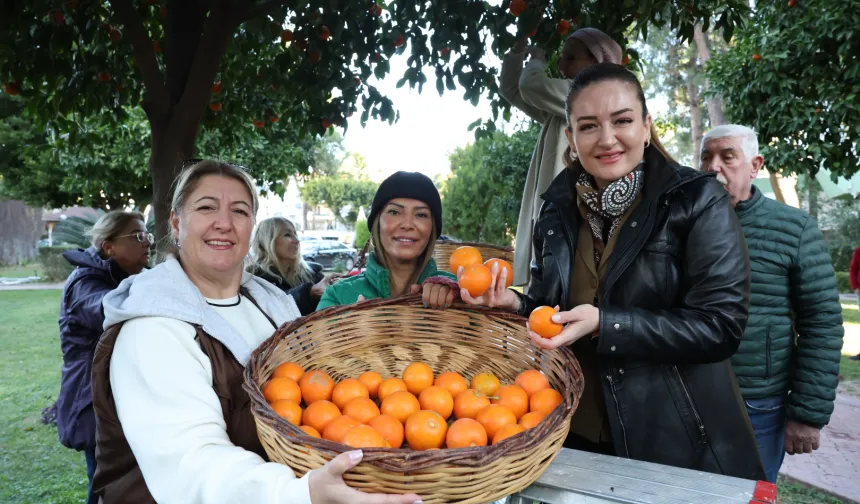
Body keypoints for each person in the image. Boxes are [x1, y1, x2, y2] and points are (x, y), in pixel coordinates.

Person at [462, 63, 765, 480]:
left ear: (646, 126)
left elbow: (720, 327)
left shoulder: (696, 200)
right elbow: (553, 309)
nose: (607, 139)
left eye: (621, 120)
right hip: (570, 429)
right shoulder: (556, 209)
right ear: (571, 137)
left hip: (673, 439)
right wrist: (513, 302)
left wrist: (608, 324)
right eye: (588, 126)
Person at [90, 160, 422, 504]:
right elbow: (195, 465)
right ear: (176, 222)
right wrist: (300, 492)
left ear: (251, 226)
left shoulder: (270, 306)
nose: (224, 223)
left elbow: (314, 398)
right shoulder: (152, 331)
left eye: (239, 210)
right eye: (206, 207)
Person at [700, 124, 844, 482]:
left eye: (727, 156)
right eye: (706, 157)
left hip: (758, 404)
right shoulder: (681, 223)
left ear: (754, 165)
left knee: (750, 494)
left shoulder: (793, 228)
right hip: (688, 397)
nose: (713, 167)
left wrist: (807, 414)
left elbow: (822, 321)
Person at [500, 28, 623, 287]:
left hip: (568, 207)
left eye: (571, 58)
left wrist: (536, 58)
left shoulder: (585, 93)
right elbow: (512, 89)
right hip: (553, 205)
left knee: (561, 276)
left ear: (595, 62)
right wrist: (516, 52)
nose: (561, 64)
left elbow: (529, 85)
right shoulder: (561, 106)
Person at [57, 211, 151, 504]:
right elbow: (107, 310)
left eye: (147, 234)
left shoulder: (125, 278)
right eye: (137, 236)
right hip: (93, 400)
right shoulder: (84, 282)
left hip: (116, 396)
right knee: (105, 486)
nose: (147, 242)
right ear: (108, 246)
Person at [317, 171, 457, 310]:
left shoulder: (458, 291)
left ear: (432, 228)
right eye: (394, 212)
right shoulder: (338, 296)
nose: (407, 224)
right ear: (377, 222)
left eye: (421, 214)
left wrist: (463, 301)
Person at [249, 216, 336, 315]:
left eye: (295, 234)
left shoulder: (313, 274)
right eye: (287, 235)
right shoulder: (254, 279)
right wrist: (309, 293)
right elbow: (271, 310)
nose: (297, 241)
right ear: (267, 241)